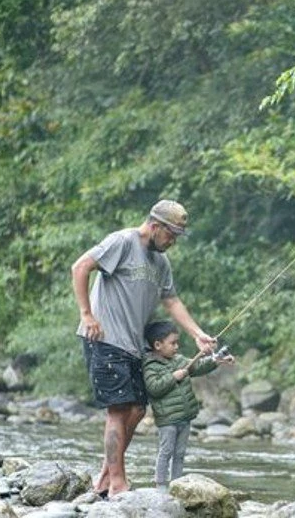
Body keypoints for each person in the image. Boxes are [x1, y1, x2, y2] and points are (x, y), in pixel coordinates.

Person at [71, 199, 216, 497]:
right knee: (119, 409)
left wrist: (198, 334)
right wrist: (87, 314)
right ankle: (118, 485)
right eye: (171, 234)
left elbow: (172, 301)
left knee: (137, 409)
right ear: (154, 226)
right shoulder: (123, 242)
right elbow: (81, 266)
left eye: (177, 236)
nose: (173, 241)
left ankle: (104, 477)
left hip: (134, 346)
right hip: (104, 339)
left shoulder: (161, 263)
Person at [143, 320, 234, 491]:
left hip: (185, 417)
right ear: (157, 345)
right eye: (173, 343)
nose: (177, 346)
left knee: (180, 453)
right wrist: (173, 377)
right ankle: (160, 485)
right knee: (166, 452)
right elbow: (153, 388)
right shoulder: (150, 366)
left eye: (177, 342)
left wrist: (217, 359)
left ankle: (176, 484)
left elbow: (198, 365)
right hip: (168, 420)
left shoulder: (179, 360)